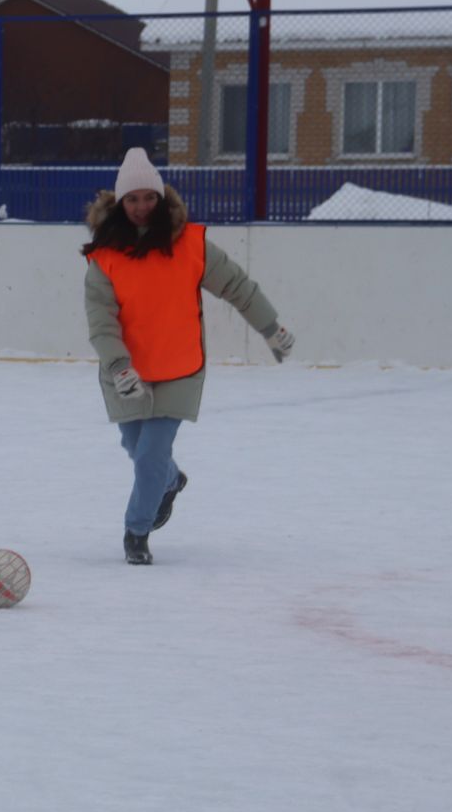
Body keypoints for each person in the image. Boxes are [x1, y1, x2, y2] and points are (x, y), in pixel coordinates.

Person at [83, 147, 297, 565]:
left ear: (161, 198)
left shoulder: (190, 245)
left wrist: (272, 328)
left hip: (180, 369)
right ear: (119, 203)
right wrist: (119, 366)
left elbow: (238, 287)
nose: (142, 207)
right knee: (136, 446)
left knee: (149, 454)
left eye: (149, 197)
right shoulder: (104, 258)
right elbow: (101, 324)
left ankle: (136, 532)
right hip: (127, 373)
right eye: (132, 199)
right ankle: (171, 481)